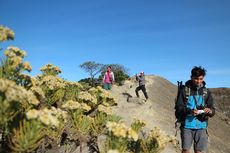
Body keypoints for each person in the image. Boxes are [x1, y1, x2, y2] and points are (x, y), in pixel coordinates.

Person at [176, 66, 215, 153]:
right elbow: (179, 108)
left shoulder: (206, 92)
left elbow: (212, 109)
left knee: (199, 151)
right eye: (196, 78)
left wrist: (210, 111)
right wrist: (190, 111)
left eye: (201, 79)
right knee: (186, 150)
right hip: (187, 126)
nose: (198, 81)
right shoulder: (185, 91)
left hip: (202, 126)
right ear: (191, 77)